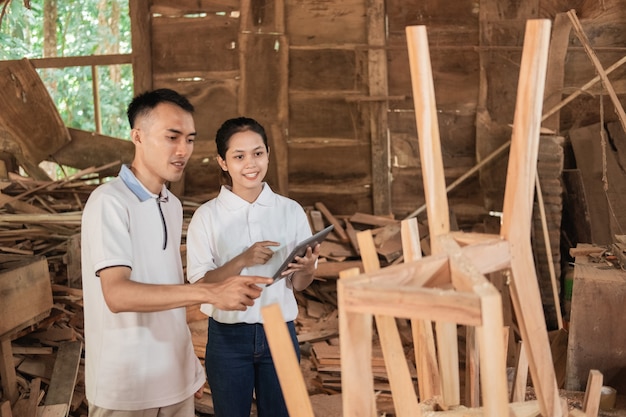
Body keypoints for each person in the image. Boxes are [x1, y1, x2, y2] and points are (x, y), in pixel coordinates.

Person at [80, 89, 272, 417]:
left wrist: (187, 366)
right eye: (172, 137)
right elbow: (117, 294)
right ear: (137, 136)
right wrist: (212, 291)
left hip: (174, 381)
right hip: (126, 389)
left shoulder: (171, 204)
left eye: (190, 139)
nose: (183, 150)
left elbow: (169, 293)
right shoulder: (108, 202)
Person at [186, 116, 320, 417]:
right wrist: (242, 259)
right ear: (223, 162)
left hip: (280, 333)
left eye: (258, 153)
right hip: (227, 337)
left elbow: (297, 284)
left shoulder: (290, 210)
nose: (251, 164)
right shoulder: (207, 217)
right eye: (239, 156)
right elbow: (199, 286)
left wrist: (308, 268)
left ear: (268, 154)